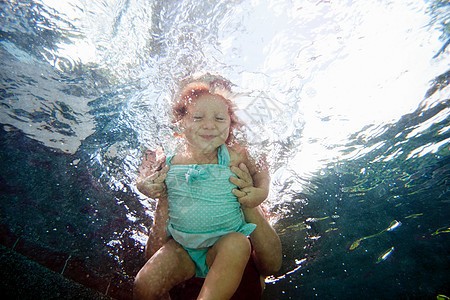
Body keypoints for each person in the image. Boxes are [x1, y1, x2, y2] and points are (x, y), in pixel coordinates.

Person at [134, 74, 282, 300]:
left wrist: (261, 192)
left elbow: (261, 165)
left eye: (220, 119)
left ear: (231, 124)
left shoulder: (234, 155)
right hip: (182, 248)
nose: (209, 125)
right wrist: (144, 184)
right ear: (181, 121)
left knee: (237, 244)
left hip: (225, 246)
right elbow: (145, 170)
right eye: (198, 117)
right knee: (144, 284)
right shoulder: (168, 154)